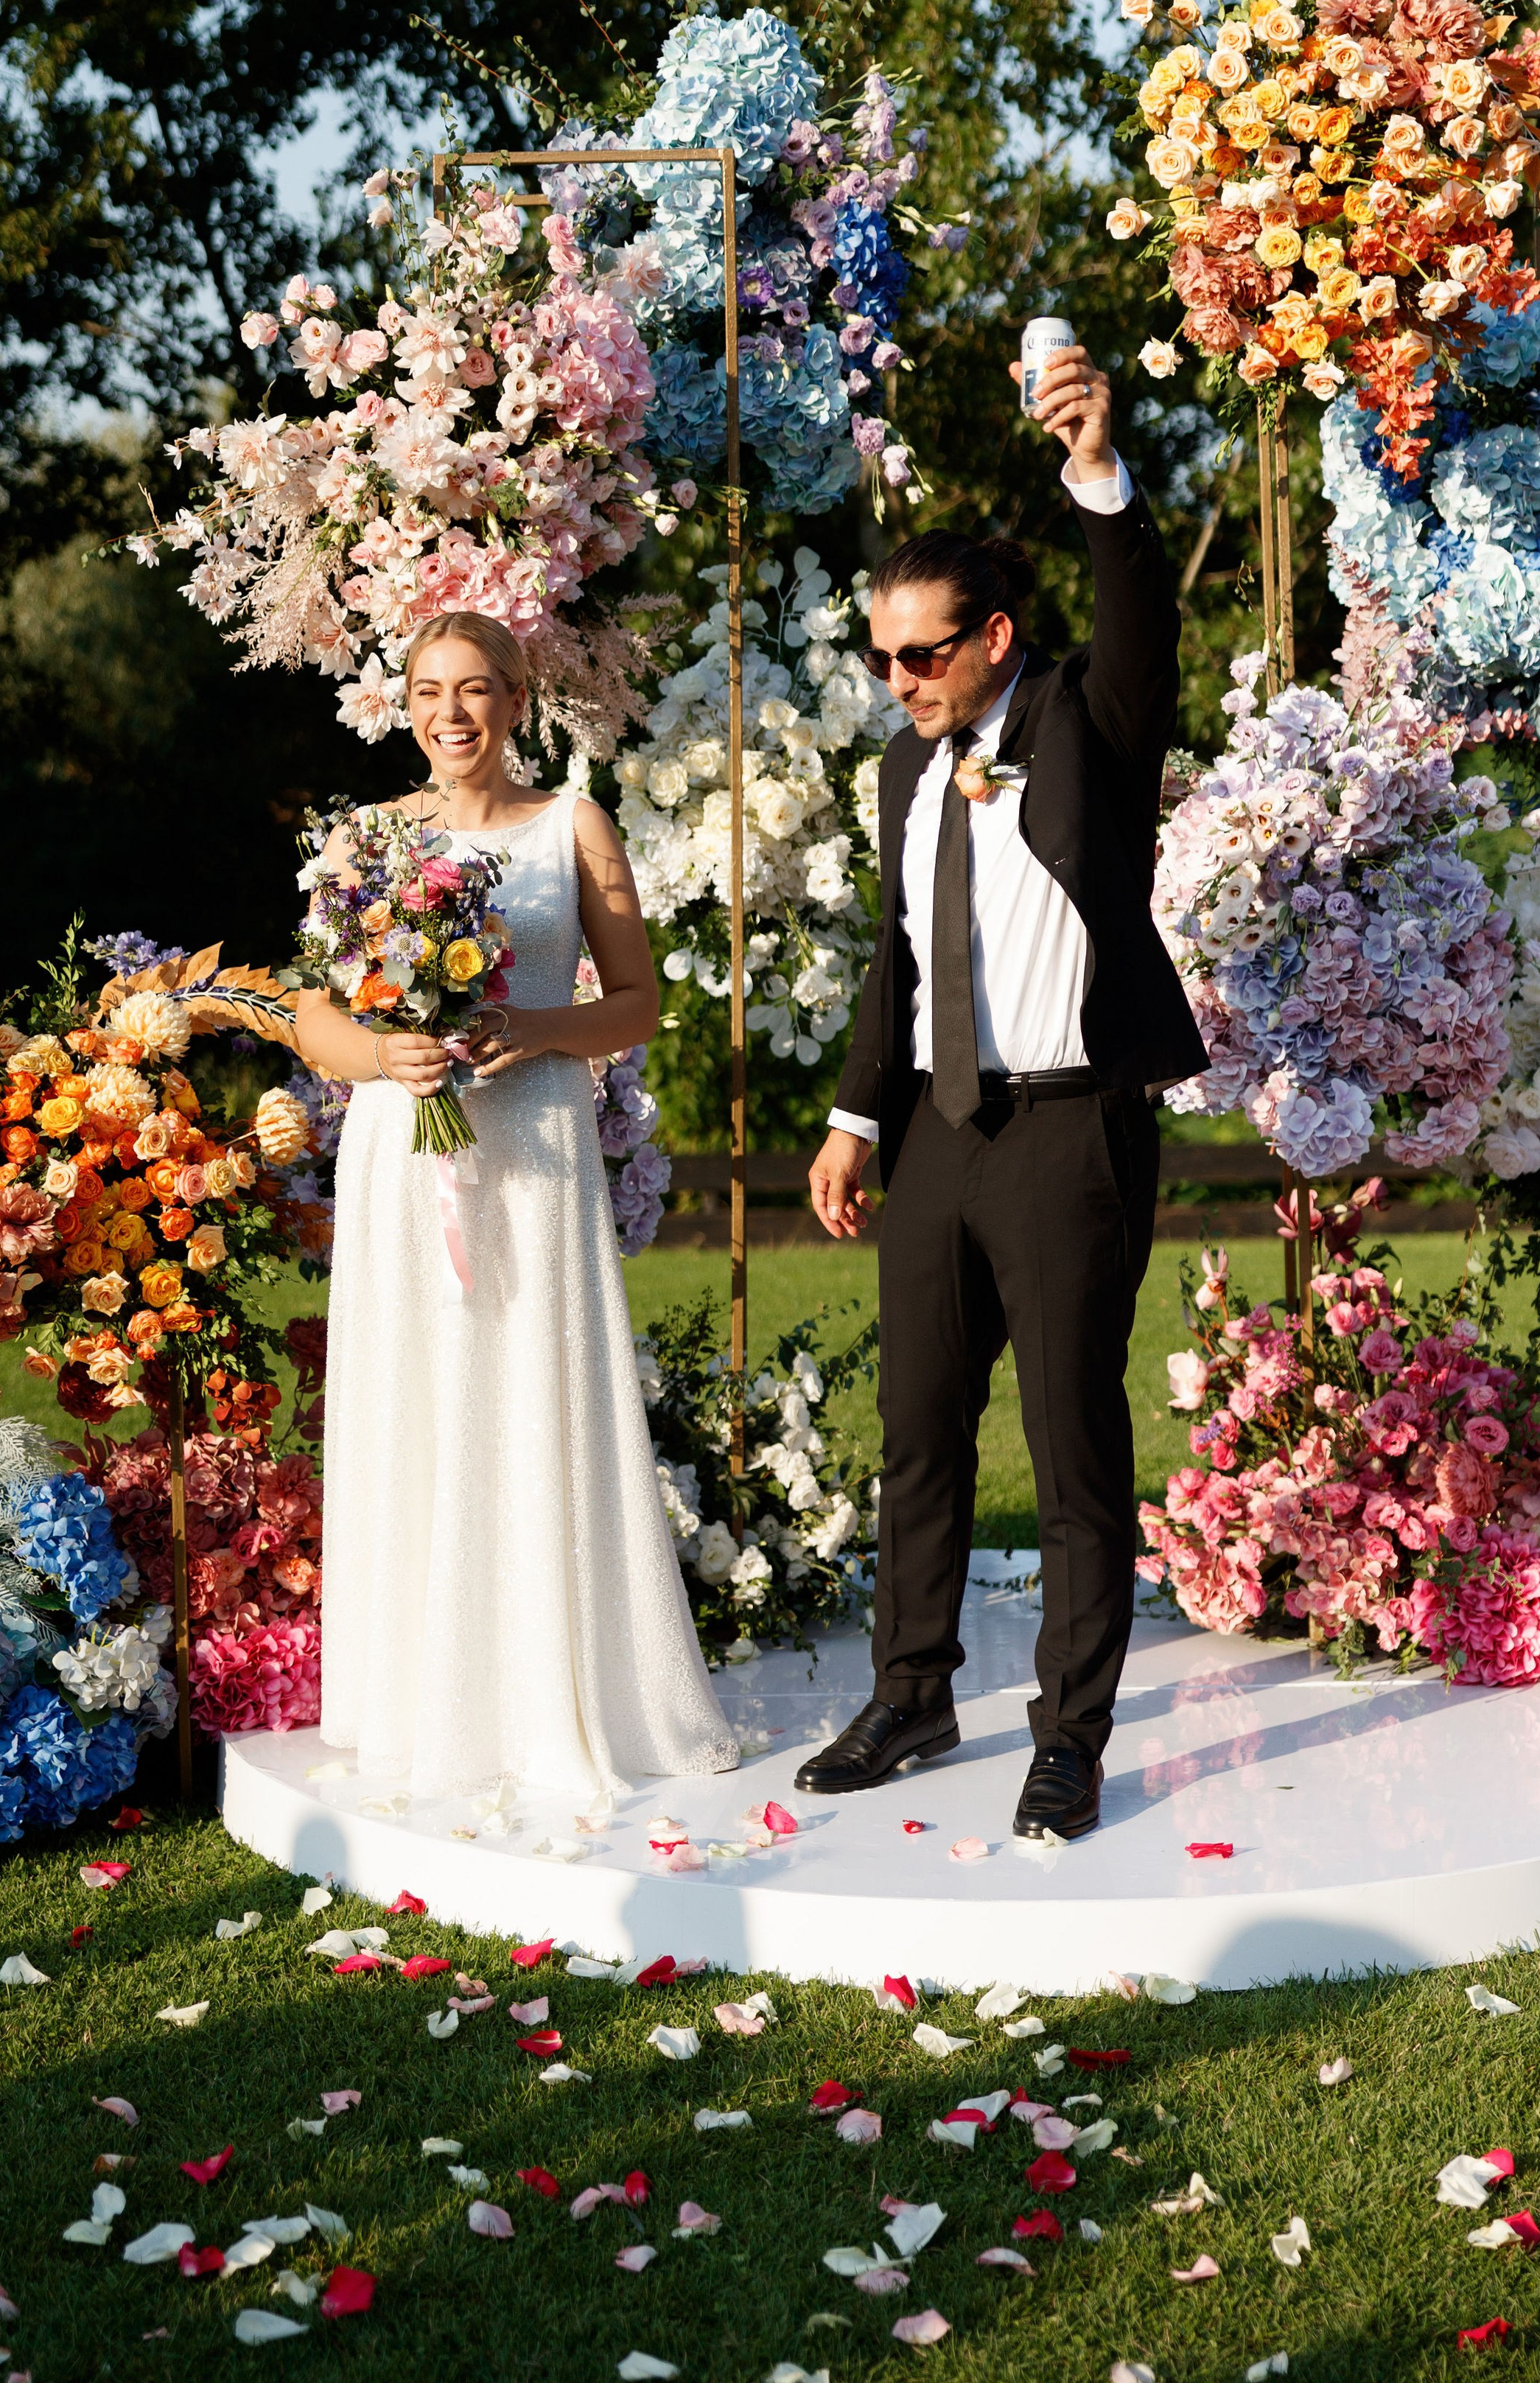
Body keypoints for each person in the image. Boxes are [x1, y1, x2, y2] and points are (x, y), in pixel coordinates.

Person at [795, 340, 1205, 1839]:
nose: (897, 681)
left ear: (996, 639)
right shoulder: (907, 772)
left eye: (922, 656)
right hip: (937, 1136)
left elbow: (1140, 618)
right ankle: (911, 1695)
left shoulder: (1091, 720)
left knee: (1073, 1444)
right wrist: (855, 1118)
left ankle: (1070, 1736)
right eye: (881, 658)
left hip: (1068, 1129)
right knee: (917, 1432)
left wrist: (1099, 475)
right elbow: (900, 960)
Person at [295, 609, 738, 1799]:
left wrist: (535, 1029)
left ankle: (551, 1690)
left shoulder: (572, 826)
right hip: (404, 1151)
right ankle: (417, 1699)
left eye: (477, 688)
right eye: (429, 691)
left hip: (533, 1149)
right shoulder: (365, 840)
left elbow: (637, 1003)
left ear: (516, 702)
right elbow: (313, 1017)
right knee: (420, 1396)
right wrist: (382, 1054)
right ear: (406, 707)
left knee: (530, 1392)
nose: (453, 713)